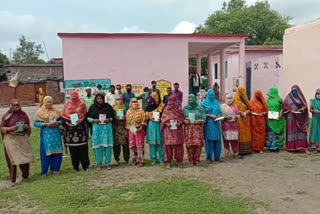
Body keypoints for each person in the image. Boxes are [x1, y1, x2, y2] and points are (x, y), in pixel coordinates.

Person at [1, 99, 34, 186]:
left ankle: (25, 176)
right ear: (11, 106)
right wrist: (11, 128)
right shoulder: (6, 116)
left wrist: (26, 127)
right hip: (11, 139)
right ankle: (13, 179)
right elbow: (2, 128)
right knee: (13, 159)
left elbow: (28, 126)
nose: (16, 107)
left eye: (18, 105)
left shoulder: (23, 114)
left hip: (22, 138)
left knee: (24, 158)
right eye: (15, 105)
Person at [34, 96, 63, 176]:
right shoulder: (39, 112)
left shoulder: (56, 111)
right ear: (44, 102)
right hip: (47, 135)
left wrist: (58, 123)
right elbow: (35, 123)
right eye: (47, 102)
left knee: (57, 152)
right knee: (46, 152)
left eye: (51, 102)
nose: (49, 103)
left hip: (56, 135)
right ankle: (45, 170)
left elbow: (62, 120)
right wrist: (44, 124)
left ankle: (56, 169)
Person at [62, 91, 90, 171]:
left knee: (83, 149)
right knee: (73, 150)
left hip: (80, 130)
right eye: (72, 96)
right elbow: (64, 116)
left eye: (75, 96)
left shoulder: (82, 104)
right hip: (70, 131)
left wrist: (80, 120)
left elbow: (84, 115)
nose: (74, 98)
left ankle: (85, 165)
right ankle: (75, 166)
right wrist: (68, 122)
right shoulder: (67, 105)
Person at [87, 94, 115, 170]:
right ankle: (99, 164)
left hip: (107, 128)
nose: (99, 100)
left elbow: (113, 116)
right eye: (98, 98)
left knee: (108, 146)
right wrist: (93, 120)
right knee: (98, 147)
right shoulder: (93, 107)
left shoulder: (108, 106)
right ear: (96, 99)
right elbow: (88, 118)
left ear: (103, 99)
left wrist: (110, 119)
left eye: (101, 98)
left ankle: (108, 164)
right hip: (97, 129)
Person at [284, 85, 310, 154]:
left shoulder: (300, 97)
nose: (294, 92)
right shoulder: (288, 97)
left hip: (299, 117)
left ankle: (303, 147)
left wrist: (301, 109)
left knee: (301, 132)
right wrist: (290, 110)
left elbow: (305, 106)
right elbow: (284, 107)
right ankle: (292, 147)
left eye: (295, 90)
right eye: (293, 90)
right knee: (292, 131)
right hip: (291, 117)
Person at [161, 95, 185, 168]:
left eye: (173, 100)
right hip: (168, 131)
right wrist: (166, 123)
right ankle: (168, 162)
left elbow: (182, 118)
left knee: (179, 146)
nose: (172, 102)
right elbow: (163, 118)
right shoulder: (166, 109)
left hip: (177, 130)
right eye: (170, 100)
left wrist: (179, 123)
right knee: (168, 147)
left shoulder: (178, 109)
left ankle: (179, 161)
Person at [183, 94, 206, 166]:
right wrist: (184, 121)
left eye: (192, 100)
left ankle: (197, 160)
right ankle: (190, 160)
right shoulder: (185, 108)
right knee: (189, 145)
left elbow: (204, 118)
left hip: (197, 129)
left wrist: (199, 121)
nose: (191, 101)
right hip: (188, 130)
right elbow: (181, 118)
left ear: (195, 99)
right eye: (189, 100)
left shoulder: (200, 108)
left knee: (197, 145)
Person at [202, 89, 223, 163]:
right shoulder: (204, 103)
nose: (211, 97)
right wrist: (210, 115)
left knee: (217, 140)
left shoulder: (216, 102)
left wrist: (220, 115)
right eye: (210, 95)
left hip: (216, 123)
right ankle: (209, 158)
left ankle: (217, 157)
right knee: (210, 140)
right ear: (207, 95)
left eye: (213, 95)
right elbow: (202, 114)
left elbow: (220, 111)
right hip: (209, 124)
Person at [125, 98, 147, 167]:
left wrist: (141, 127)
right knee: (132, 145)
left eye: (135, 102)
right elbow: (127, 121)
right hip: (131, 129)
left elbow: (144, 119)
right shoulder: (128, 111)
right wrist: (128, 129)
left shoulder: (141, 111)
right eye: (133, 102)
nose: (134, 104)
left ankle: (141, 161)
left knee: (139, 145)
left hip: (139, 130)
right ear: (130, 103)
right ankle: (134, 160)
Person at [145, 92, 165, 166]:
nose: (154, 98)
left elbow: (165, 115)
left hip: (159, 124)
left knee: (160, 143)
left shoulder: (162, 106)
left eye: (155, 96)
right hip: (151, 125)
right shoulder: (148, 107)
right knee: (152, 143)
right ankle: (154, 159)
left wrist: (161, 119)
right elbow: (145, 116)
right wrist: (149, 118)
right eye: (152, 96)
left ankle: (161, 159)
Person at [221, 93, 240, 158]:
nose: (228, 100)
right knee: (226, 140)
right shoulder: (222, 106)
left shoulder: (236, 106)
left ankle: (236, 152)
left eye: (230, 98)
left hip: (234, 125)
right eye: (227, 98)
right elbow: (220, 116)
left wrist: (236, 117)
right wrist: (225, 118)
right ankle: (227, 153)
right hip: (226, 125)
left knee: (234, 140)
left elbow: (238, 115)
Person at [234, 86, 252, 155]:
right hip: (240, 120)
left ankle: (247, 149)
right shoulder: (236, 100)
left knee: (246, 133)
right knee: (241, 133)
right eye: (241, 91)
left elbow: (250, 108)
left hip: (246, 120)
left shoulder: (245, 99)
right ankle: (240, 149)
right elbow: (235, 110)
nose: (243, 92)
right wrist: (243, 113)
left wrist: (247, 112)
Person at [113, 99, 130, 165]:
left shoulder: (125, 111)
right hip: (116, 129)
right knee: (116, 145)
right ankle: (117, 159)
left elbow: (128, 119)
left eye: (120, 103)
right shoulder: (113, 111)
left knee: (125, 144)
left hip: (124, 128)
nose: (119, 104)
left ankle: (126, 158)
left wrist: (125, 118)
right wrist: (115, 118)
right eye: (117, 103)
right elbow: (111, 119)